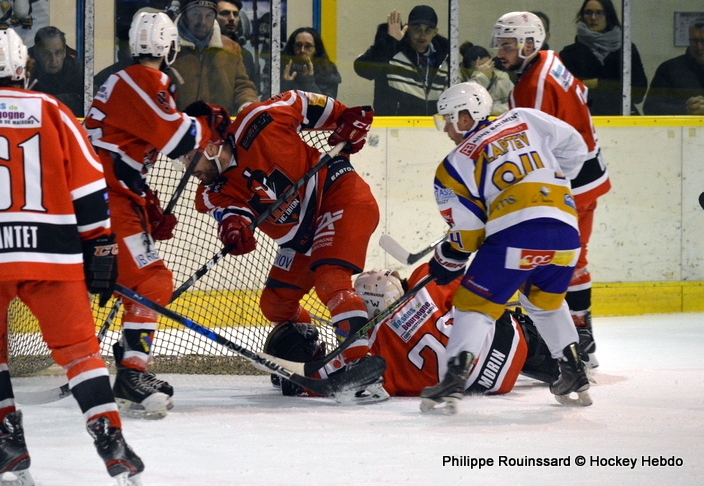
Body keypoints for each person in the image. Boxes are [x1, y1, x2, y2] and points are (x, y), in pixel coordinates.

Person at [0, 29, 143, 485]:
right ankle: (110, 439)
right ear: (24, 68)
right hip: (49, 253)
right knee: (78, 352)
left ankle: (6, 440)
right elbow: (90, 186)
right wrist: (100, 244)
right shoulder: (52, 110)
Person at [180, 90, 379, 387]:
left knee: (330, 278)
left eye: (187, 157)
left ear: (209, 146)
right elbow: (233, 216)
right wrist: (234, 230)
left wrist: (345, 116)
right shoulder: (212, 191)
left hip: (337, 195)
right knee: (275, 305)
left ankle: (360, 365)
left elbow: (302, 103)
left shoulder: (258, 121)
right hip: (299, 239)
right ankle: (311, 350)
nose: (186, 168)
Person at [419, 82, 591, 414]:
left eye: (449, 121)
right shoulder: (523, 117)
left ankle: (453, 380)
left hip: (516, 236)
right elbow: (575, 146)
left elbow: (468, 231)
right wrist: (551, 182)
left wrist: (448, 257)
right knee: (543, 301)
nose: (447, 131)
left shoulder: (455, 163)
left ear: (467, 117)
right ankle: (573, 371)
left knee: (473, 305)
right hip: (566, 231)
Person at [84, 10, 213, 420]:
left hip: (108, 196)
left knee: (140, 283)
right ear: (169, 46)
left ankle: (130, 366)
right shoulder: (144, 79)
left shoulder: (120, 81)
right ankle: (131, 373)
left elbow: (124, 154)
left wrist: (148, 202)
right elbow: (180, 138)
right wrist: (209, 124)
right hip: (106, 202)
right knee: (151, 279)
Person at [492, 11, 610, 368]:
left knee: (557, 258)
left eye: (509, 45)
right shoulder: (547, 61)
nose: (502, 52)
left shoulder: (535, 84)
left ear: (530, 44)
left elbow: (532, 145)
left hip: (573, 181)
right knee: (571, 258)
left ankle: (577, 337)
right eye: (500, 43)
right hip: (587, 172)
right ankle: (580, 336)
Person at [264, 264, 561, 401]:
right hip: (512, 346)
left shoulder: (372, 348)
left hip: (486, 383)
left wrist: (291, 378)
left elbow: (335, 382)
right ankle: (566, 361)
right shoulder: (424, 281)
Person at [173, 0, 258, 114]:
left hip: (219, 129)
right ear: (184, 14)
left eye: (208, 15)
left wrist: (247, 105)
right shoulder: (168, 47)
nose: (202, 21)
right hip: (178, 129)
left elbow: (242, 86)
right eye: (196, 14)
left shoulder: (231, 48)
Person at [559, 0, 648, 116]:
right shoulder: (569, 53)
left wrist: (597, 84)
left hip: (622, 119)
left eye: (599, 13)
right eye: (588, 13)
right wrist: (612, 86)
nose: (593, 18)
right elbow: (565, 92)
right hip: (585, 119)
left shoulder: (626, 50)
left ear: (608, 16)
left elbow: (639, 92)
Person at [354, 5, 449, 116]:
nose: (422, 35)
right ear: (407, 28)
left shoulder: (445, 59)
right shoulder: (393, 51)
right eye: (417, 29)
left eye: (427, 30)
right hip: (392, 127)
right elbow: (363, 69)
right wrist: (391, 41)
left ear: (435, 32)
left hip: (431, 127)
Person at [644, 20, 704, 115]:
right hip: (681, 129)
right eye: (695, 41)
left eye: (703, 41)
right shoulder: (669, 68)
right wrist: (686, 110)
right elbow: (650, 107)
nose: (699, 47)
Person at [29, 25, 85, 116]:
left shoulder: (77, 69)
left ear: (64, 52)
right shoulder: (25, 70)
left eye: (58, 53)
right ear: (36, 53)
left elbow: (91, 99)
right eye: (46, 54)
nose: (53, 60)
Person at [281, 27, 342, 98]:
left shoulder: (327, 69)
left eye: (308, 46)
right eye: (298, 45)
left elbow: (326, 106)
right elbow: (266, 100)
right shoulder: (279, 66)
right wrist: (285, 85)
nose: (302, 50)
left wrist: (308, 82)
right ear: (292, 48)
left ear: (316, 49)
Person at [216, 0, 258, 89]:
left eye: (235, 14)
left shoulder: (245, 56)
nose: (231, 18)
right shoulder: (205, 52)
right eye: (225, 13)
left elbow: (248, 90)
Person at [459, 42, 513, 115]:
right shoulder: (456, 78)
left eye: (488, 65)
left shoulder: (501, 78)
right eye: (481, 69)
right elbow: (461, 107)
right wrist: (480, 78)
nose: (487, 70)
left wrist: (486, 109)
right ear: (466, 71)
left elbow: (515, 105)